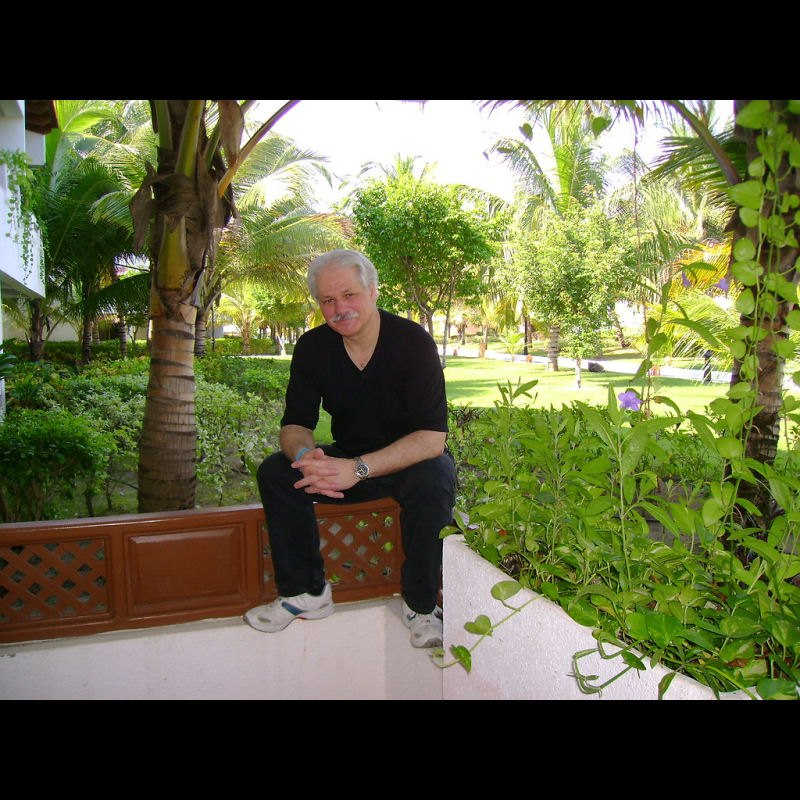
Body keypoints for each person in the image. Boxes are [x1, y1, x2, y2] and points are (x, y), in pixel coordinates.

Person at [244, 249, 456, 648]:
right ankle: (306, 593)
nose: (340, 308)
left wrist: (356, 468)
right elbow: (295, 424)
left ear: (373, 291)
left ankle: (422, 606)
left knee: (435, 478)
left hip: (410, 463)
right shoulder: (313, 348)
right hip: (347, 464)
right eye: (328, 300)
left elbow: (432, 439)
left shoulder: (412, 342)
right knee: (276, 471)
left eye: (349, 295)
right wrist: (307, 459)